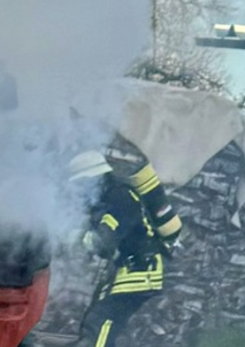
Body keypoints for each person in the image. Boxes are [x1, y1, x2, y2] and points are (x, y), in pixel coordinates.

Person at [67, 134, 183, 347]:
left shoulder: (117, 199)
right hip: (133, 268)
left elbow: (104, 243)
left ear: (92, 179)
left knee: (100, 321)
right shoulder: (114, 195)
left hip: (139, 271)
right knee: (97, 318)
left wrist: (74, 238)